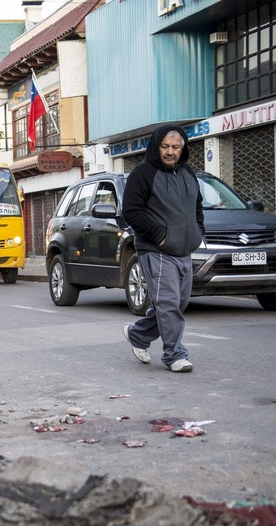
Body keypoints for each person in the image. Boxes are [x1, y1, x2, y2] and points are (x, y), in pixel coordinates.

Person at [121, 124, 204, 373]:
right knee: (168, 303)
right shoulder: (143, 173)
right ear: (157, 147)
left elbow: (197, 207)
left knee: (178, 303)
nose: (170, 152)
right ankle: (174, 354)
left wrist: (199, 231)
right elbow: (131, 211)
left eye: (176, 147)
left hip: (184, 251)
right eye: (165, 146)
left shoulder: (188, 174)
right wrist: (159, 236)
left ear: (183, 148)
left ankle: (138, 334)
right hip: (156, 250)